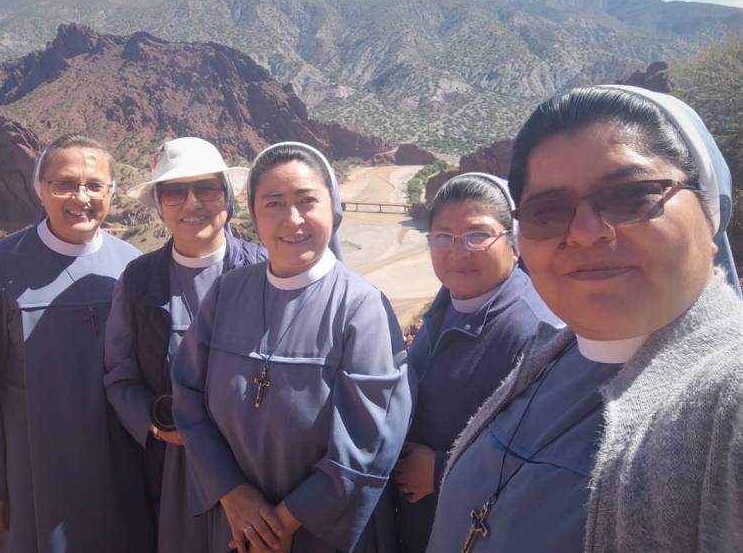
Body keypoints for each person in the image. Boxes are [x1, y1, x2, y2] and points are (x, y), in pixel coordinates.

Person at [428, 86, 742, 553]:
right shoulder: (548, 359)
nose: (585, 232)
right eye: (547, 212)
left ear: (710, 211)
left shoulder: (727, 396)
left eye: (630, 196)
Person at [172, 141, 413, 552]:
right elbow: (188, 397)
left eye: (307, 201)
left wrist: (281, 524)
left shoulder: (361, 307)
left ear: (333, 208)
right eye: (274, 204)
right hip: (233, 525)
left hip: (317, 531)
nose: (293, 219)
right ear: (253, 214)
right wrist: (231, 493)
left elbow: (367, 441)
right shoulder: (227, 293)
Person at [0, 135, 154, 552]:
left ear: (111, 192)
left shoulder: (130, 264)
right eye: (65, 184)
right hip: (34, 468)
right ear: (40, 189)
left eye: (95, 185)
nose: (82, 197)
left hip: (119, 464)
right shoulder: (2, 264)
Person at [103, 137, 266, 552]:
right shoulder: (138, 282)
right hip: (174, 469)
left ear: (227, 197)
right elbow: (120, 376)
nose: (193, 203)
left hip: (255, 467)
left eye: (206, 188)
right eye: (175, 191)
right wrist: (155, 424)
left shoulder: (265, 272)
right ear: (160, 205)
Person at [393, 172, 560, 553]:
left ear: (514, 242)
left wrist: (440, 470)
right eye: (443, 236)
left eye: (477, 234)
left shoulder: (536, 332)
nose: (458, 251)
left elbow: (549, 457)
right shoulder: (446, 303)